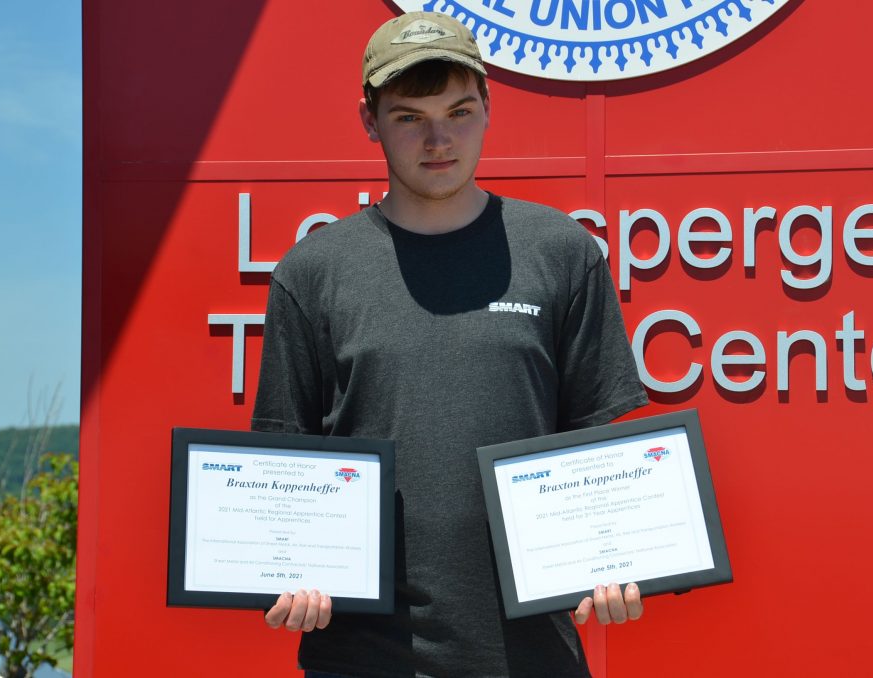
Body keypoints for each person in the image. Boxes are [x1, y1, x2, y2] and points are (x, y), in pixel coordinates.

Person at [251, 10, 648, 676]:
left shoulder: (561, 253)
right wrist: (284, 567)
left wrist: (613, 559)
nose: (439, 139)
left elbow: (596, 457)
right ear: (369, 120)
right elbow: (285, 474)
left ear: (489, 108)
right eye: (410, 117)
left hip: (533, 658)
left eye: (459, 111)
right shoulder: (311, 272)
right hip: (361, 658)